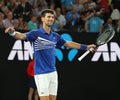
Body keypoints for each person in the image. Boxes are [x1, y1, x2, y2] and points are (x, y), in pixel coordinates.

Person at [5, 9, 97, 100]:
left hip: (53, 73)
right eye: (48, 17)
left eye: (52, 17)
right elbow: (22, 36)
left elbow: (68, 43)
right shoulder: (35, 34)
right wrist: (12, 32)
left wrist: (86, 47)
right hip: (41, 74)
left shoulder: (55, 36)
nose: (51, 19)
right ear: (42, 19)